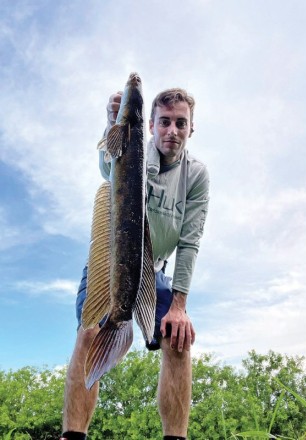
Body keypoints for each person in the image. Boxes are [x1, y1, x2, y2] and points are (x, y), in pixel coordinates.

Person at [60, 85, 210, 440]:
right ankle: (72, 435)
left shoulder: (197, 176)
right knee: (90, 329)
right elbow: (107, 168)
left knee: (179, 337)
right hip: (109, 262)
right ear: (152, 125)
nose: (172, 131)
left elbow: (190, 241)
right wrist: (112, 125)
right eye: (164, 122)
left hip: (154, 268)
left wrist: (179, 305)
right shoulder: (135, 152)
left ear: (191, 127)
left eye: (180, 123)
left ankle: (176, 436)